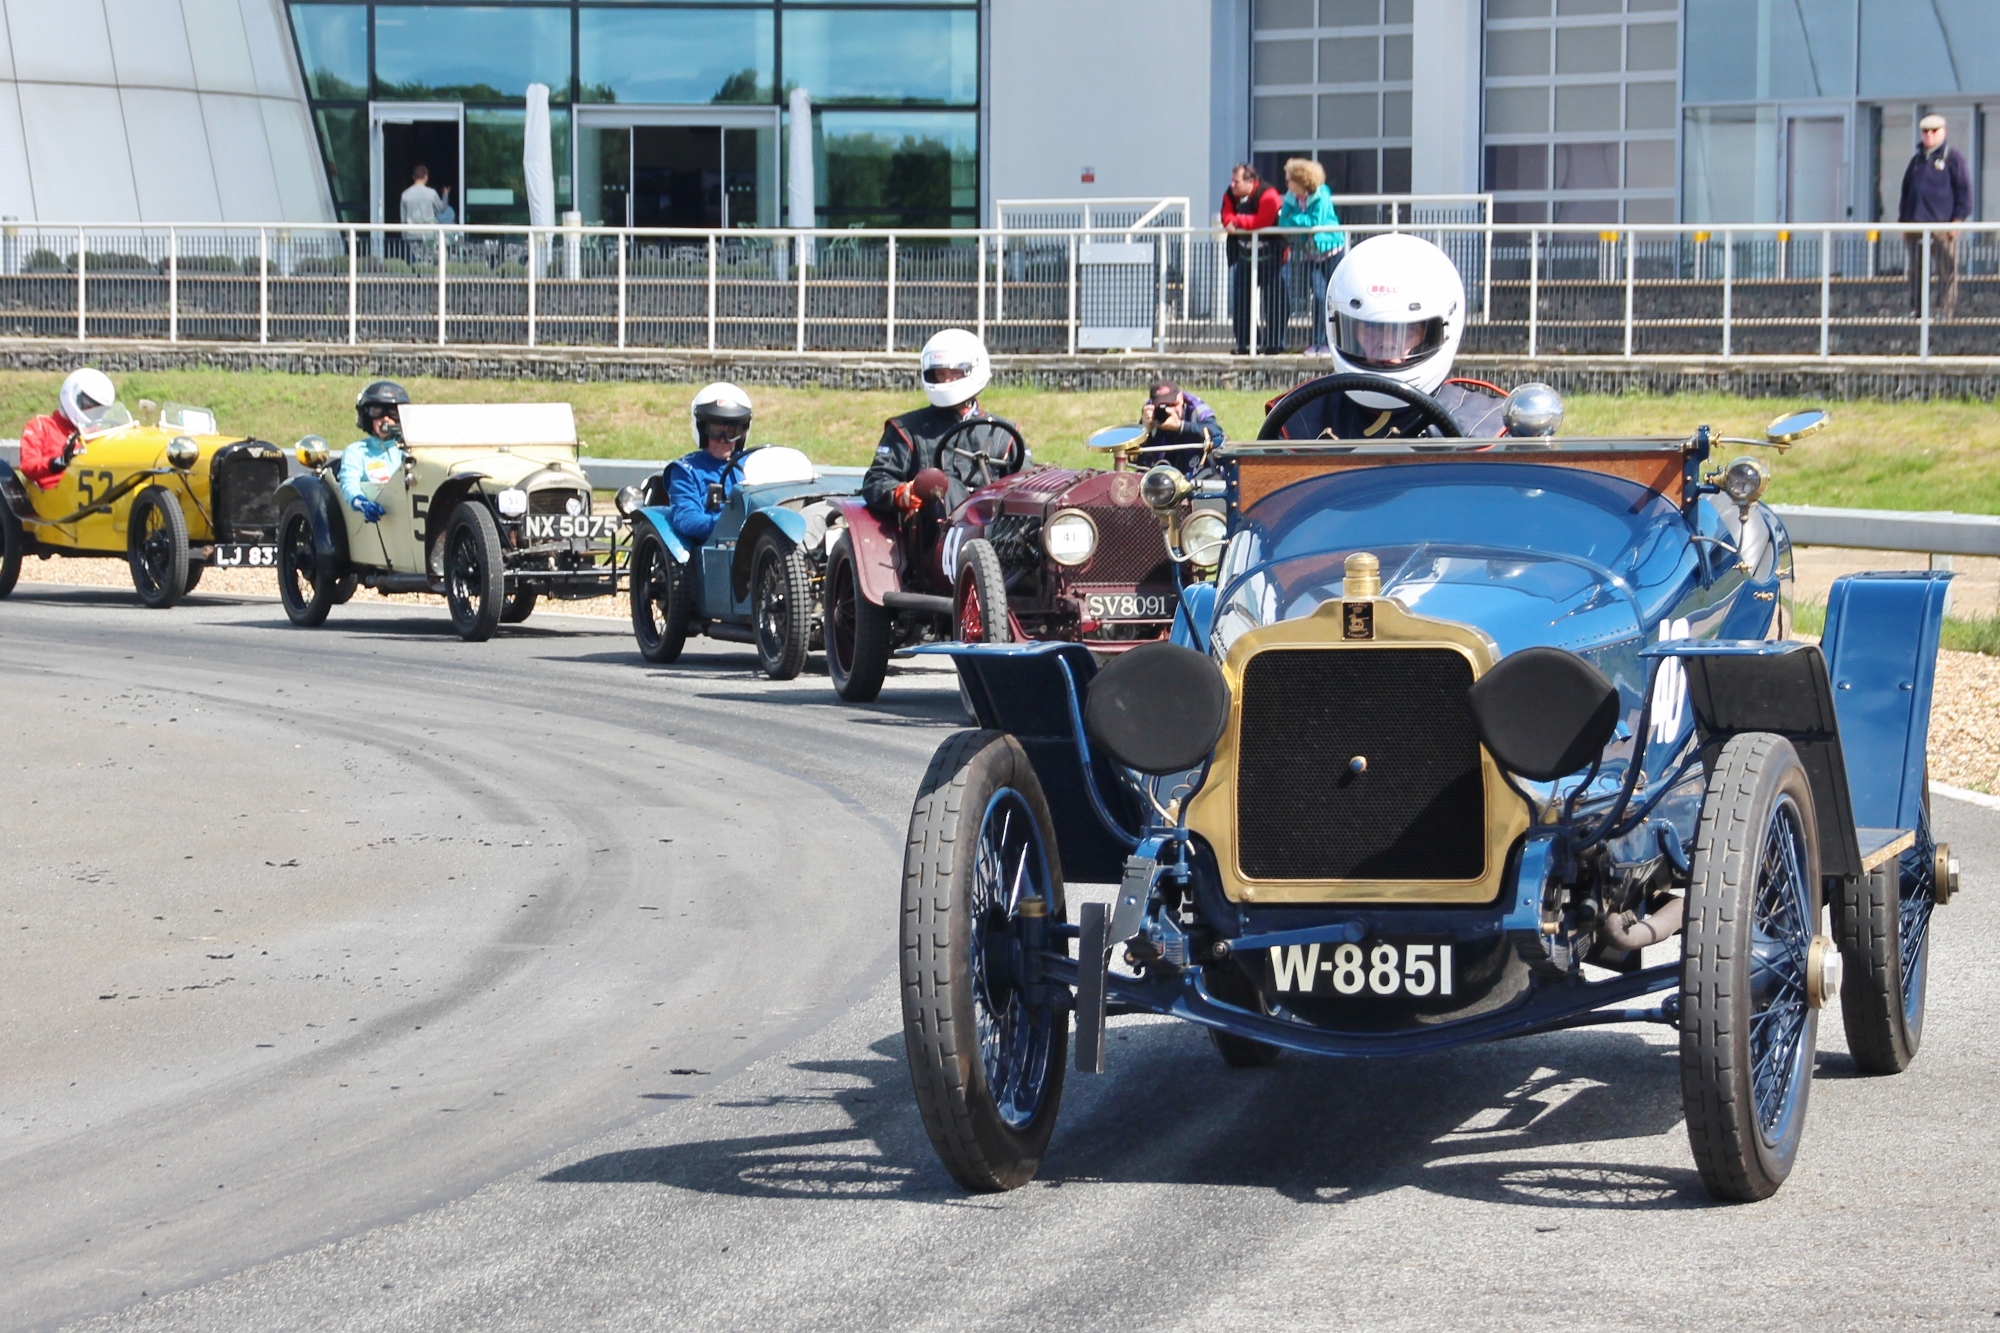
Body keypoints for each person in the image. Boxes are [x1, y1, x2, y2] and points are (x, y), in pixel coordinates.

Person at [1271, 233, 1506, 441]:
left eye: (1406, 331)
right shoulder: (1298, 418)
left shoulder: (1487, 426)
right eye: (1371, 329)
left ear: (1439, 331)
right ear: (1344, 328)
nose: (1386, 343)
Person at [863, 329, 1023, 579]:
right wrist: (906, 493)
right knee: (945, 486)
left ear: (974, 370)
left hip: (999, 534)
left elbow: (1025, 484)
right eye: (940, 374)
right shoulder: (906, 429)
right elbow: (876, 482)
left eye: (954, 373)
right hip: (929, 539)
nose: (947, 380)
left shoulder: (1006, 434)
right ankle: (964, 572)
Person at [1899, 114, 1972, 321]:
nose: (1929, 135)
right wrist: (1903, 222)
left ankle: (1944, 309)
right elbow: (1906, 193)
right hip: (1915, 223)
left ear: (1943, 132)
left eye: (1934, 131)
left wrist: (1958, 219)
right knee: (1915, 270)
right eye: (1925, 131)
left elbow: (1964, 190)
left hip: (1941, 225)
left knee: (1946, 269)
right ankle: (1917, 308)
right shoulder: (1916, 161)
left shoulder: (1952, 157)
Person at [664, 382, 754, 547]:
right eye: (715, 430)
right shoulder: (686, 470)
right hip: (718, 545)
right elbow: (686, 518)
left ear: (741, 434)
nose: (723, 439)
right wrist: (727, 523)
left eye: (731, 432)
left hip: (759, 537)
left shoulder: (755, 462)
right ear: (702, 430)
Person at [1278, 158, 1345, 356]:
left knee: (1331, 297)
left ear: (1300, 180)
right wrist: (1299, 221)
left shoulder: (1321, 193)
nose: (1286, 182)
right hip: (1311, 254)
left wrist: (1296, 220)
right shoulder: (1291, 196)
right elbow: (1283, 222)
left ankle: (1330, 342)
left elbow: (1314, 221)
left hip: (1331, 250)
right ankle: (1316, 341)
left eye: (1289, 179)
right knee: (1317, 296)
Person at [18, 368, 121, 490]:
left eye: (100, 410)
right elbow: (28, 466)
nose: (94, 414)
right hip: (51, 497)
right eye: (90, 407)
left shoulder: (94, 434)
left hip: (90, 495)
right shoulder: (40, 426)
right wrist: (58, 462)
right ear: (74, 397)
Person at [1221, 164, 1286, 355]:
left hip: (1270, 256)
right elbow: (1225, 216)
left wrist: (1238, 221)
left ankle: (1274, 343)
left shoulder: (1268, 194)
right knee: (1241, 302)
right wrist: (1231, 221)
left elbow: (1262, 221)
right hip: (1244, 256)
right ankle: (1246, 344)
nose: (1232, 185)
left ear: (1250, 182)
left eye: (1236, 181)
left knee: (1275, 301)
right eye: (1232, 180)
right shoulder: (1230, 194)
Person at [338, 380, 410, 524]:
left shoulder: (411, 449)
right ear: (367, 417)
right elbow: (349, 482)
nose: (385, 419)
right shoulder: (356, 452)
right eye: (377, 412)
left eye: (393, 413)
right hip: (376, 522)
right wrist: (361, 503)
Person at [1135, 379, 1226, 475]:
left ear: (1181, 398)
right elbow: (1134, 458)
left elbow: (1218, 434)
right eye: (1163, 406)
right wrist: (1144, 432)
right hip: (1160, 474)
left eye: (1173, 405)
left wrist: (1181, 426)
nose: (1169, 410)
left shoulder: (1196, 408)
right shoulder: (1151, 412)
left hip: (1198, 470)